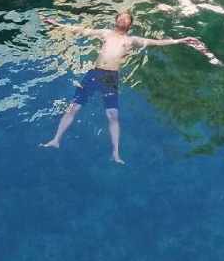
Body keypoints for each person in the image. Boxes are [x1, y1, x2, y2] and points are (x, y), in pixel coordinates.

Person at [40, 10, 209, 164]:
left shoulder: (131, 40)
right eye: (120, 17)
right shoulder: (105, 33)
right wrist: (57, 25)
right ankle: (56, 139)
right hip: (94, 73)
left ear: (130, 25)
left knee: (113, 115)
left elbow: (157, 42)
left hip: (110, 77)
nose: (123, 19)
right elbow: (81, 30)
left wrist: (181, 40)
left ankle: (115, 152)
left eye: (126, 18)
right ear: (116, 21)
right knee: (73, 107)